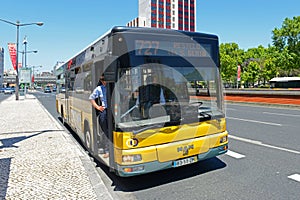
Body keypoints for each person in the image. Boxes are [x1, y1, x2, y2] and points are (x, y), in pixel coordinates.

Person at [89, 75, 109, 158]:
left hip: (113, 110)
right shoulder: (99, 89)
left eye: (106, 80)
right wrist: (98, 107)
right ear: (101, 81)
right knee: (105, 130)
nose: (105, 82)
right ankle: (107, 150)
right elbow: (91, 98)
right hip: (104, 110)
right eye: (103, 81)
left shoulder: (112, 87)